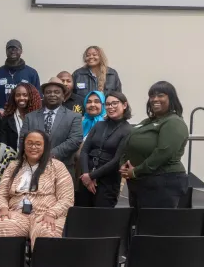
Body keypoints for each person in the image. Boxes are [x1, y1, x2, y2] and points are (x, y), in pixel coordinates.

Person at [0, 130, 74, 246]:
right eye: (29, 143)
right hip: (16, 213)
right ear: (24, 146)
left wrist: (52, 214)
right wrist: (3, 208)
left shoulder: (57, 166)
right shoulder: (13, 166)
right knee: (2, 226)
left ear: (45, 147)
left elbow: (67, 198)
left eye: (38, 144)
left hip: (46, 214)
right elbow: (1, 194)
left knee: (49, 233)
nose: (33, 147)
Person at [120, 81, 188, 209]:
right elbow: (128, 143)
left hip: (163, 181)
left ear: (171, 98)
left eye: (160, 95)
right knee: (139, 220)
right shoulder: (147, 121)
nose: (155, 99)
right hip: (140, 181)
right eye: (152, 96)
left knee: (156, 221)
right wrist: (123, 164)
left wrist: (135, 171)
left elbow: (163, 153)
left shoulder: (174, 122)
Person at [77, 91, 132, 207]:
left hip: (108, 181)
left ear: (124, 105)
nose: (110, 107)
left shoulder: (128, 130)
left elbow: (117, 160)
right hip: (86, 177)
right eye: (107, 104)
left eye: (114, 103)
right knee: (81, 213)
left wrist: (92, 176)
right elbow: (85, 151)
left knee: (102, 215)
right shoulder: (99, 125)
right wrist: (86, 174)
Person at [20, 77, 83, 174]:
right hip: (33, 169)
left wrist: (49, 154)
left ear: (63, 96)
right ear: (43, 96)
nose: (52, 94)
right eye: (48, 92)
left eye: (57, 92)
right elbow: (23, 139)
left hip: (63, 170)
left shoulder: (74, 117)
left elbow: (75, 140)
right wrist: (35, 155)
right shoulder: (30, 117)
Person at [0, 39, 41, 108]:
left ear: (21, 51)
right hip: (2, 113)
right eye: (10, 49)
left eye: (15, 49)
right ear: (6, 52)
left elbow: (37, 97)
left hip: (25, 113)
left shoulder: (31, 73)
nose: (12, 51)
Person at [0, 82, 42, 151]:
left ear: (31, 97)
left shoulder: (39, 117)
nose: (21, 98)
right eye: (18, 95)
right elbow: (3, 143)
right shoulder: (6, 118)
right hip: (12, 156)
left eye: (25, 95)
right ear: (13, 97)